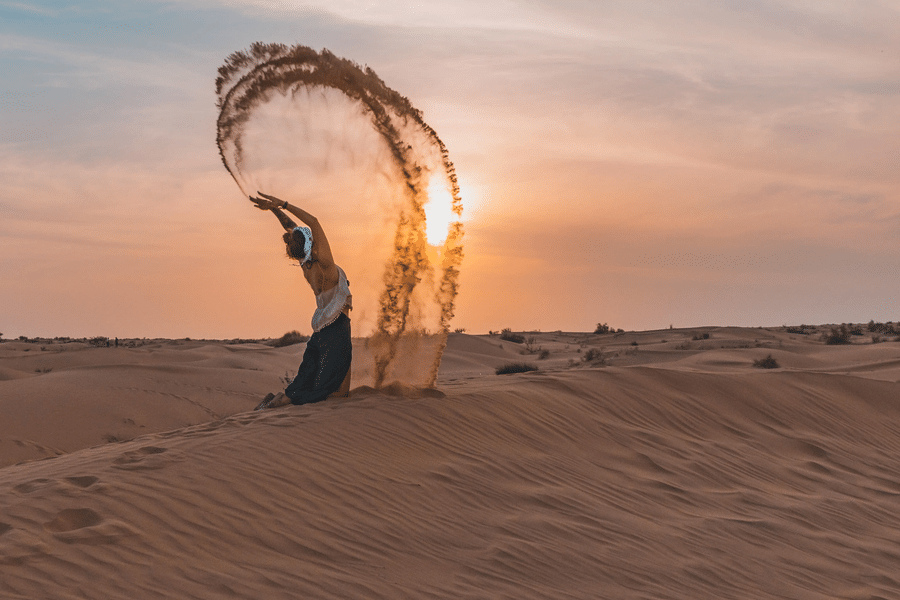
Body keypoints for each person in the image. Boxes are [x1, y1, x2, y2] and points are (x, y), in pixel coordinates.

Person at [250, 192, 352, 410]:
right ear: (312, 243)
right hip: (336, 331)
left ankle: (273, 402)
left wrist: (274, 209)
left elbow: (294, 230)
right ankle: (273, 405)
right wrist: (283, 204)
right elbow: (313, 222)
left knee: (299, 387)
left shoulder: (306, 265)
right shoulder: (325, 264)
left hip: (319, 334)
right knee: (335, 393)